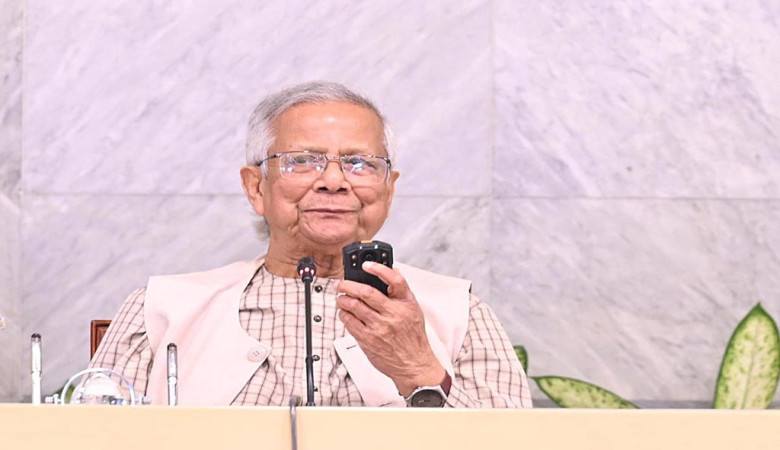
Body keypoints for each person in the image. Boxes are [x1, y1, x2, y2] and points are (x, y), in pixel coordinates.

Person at [90, 81, 532, 408]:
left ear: (389, 189)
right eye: (303, 161)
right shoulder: (161, 309)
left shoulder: (460, 313)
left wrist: (418, 368)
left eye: (359, 163)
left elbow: (517, 442)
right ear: (256, 187)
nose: (334, 181)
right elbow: (88, 436)